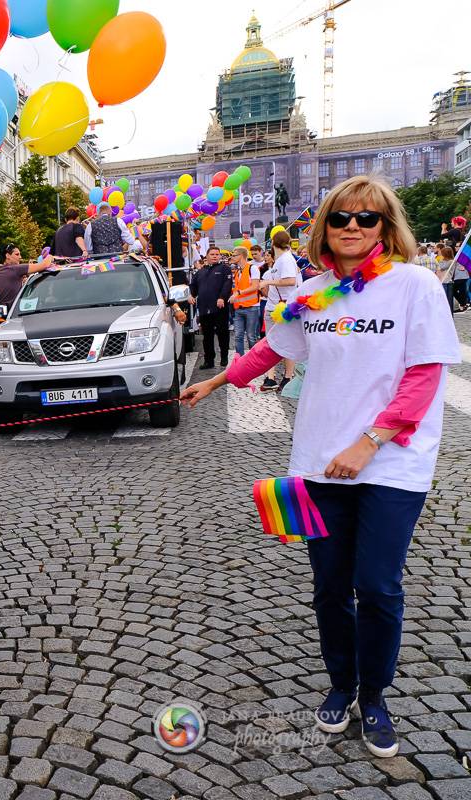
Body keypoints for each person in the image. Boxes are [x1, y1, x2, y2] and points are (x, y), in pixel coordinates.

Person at [181, 175, 460, 760]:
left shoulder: (414, 285)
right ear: (325, 228)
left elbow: (424, 375)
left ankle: (376, 695)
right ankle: (341, 684)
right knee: (330, 588)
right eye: (341, 218)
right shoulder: (316, 294)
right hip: (317, 464)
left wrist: (369, 442)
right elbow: (271, 351)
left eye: (367, 219)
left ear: (386, 228)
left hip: (390, 466)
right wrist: (212, 381)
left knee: (377, 586)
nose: (353, 227)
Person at [258, 230, 300, 390]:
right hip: (274, 306)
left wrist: (268, 282)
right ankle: (271, 377)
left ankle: (288, 377)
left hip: (282, 307)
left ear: (273, 243)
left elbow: (290, 281)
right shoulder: (281, 260)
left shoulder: (286, 259)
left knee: (285, 343)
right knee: (272, 343)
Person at [189, 245, 233, 369]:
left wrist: (222, 297)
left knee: (222, 334)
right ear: (207, 256)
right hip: (204, 308)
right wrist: (191, 295)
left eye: (217, 254)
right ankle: (209, 360)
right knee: (207, 337)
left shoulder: (225, 269)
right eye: (212, 254)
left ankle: (224, 357)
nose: (215, 256)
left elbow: (227, 285)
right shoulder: (200, 272)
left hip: (220, 307)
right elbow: (193, 286)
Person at [0, 244, 54, 312]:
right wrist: (50, 256)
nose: (20, 257)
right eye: (17, 254)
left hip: (2, 316)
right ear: (7, 256)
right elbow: (44, 265)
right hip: (18, 314)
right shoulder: (15, 269)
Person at [229, 247, 262, 358]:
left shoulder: (253, 268)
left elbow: (255, 286)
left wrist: (238, 293)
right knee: (238, 336)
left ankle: (254, 360)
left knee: (251, 336)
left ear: (241, 256)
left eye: (234, 255)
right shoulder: (238, 271)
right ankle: (240, 360)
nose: (232, 257)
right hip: (239, 308)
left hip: (252, 307)